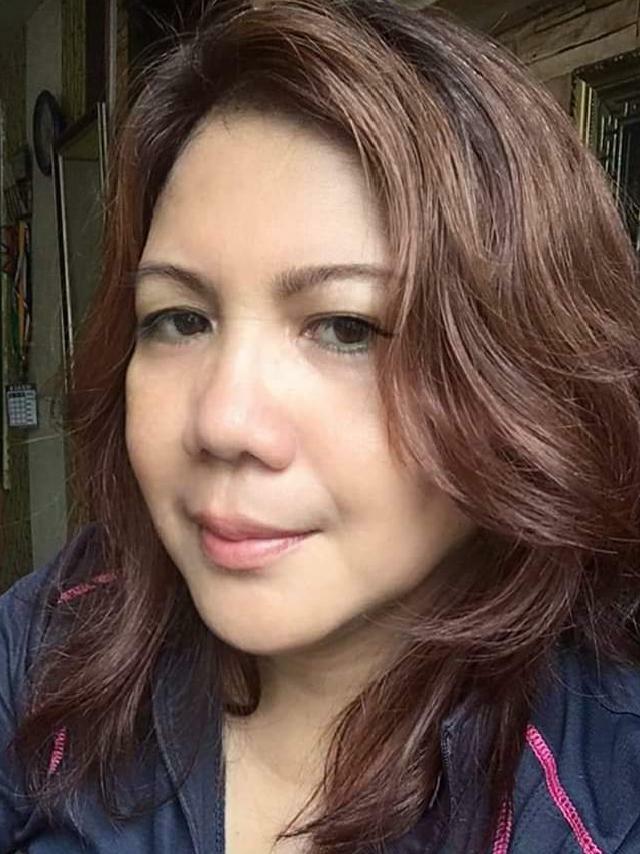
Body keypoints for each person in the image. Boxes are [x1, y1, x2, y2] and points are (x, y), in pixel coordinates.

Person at [2, 0, 640, 851]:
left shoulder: (604, 801)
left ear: (522, 375)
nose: (223, 422)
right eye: (180, 319)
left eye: (345, 328)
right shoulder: (55, 632)